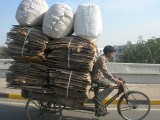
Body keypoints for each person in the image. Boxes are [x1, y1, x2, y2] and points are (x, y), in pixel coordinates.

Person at [91, 45, 121, 117]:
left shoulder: (104, 58)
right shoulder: (102, 58)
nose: (113, 54)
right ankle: (97, 99)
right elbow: (105, 72)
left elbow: (105, 71)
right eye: (112, 53)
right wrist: (115, 80)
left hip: (100, 77)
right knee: (110, 86)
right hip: (97, 78)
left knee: (98, 94)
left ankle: (98, 111)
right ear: (108, 52)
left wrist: (113, 76)